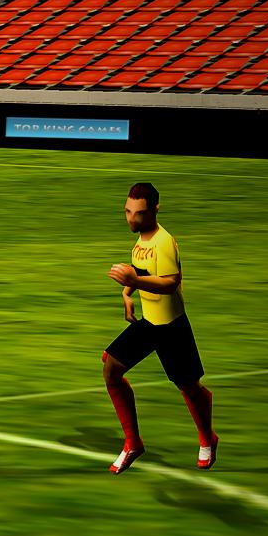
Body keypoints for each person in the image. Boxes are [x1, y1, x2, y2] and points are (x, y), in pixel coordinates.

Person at [102, 181, 217, 472]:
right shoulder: (140, 243)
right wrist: (127, 294)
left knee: (189, 387)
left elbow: (169, 283)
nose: (131, 219)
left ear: (155, 209)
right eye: (127, 211)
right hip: (149, 323)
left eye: (138, 213)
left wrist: (134, 281)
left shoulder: (164, 242)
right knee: (111, 368)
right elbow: (140, 273)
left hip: (171, 327)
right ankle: (133, 443)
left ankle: (208, 438)